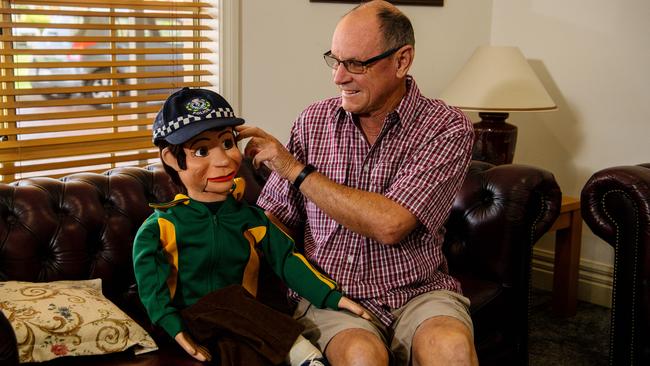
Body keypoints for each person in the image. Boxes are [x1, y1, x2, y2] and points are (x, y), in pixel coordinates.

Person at [236, 1, 478, 365]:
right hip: (330, 292)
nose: (338, 77)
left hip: (418, 291)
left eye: (356, 64)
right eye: (335, 60)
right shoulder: (313, 121)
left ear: (402, 60)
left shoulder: (447, 127)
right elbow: (275, 218)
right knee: (362, 356)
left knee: (452, 349)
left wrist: (295, 170)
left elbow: (391, 224)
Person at [133, 87, 370, 366]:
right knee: (229, 300)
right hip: (189, 320)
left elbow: (288, 260)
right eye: (201, 150)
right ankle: (303, 354)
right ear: (172, 159)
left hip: (243, 325)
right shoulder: (158, 228)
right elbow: (152, 289)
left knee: (242, 350)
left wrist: (333, 297)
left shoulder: (252, 219)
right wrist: (176, 331)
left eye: (227, 143)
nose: (222, 160)